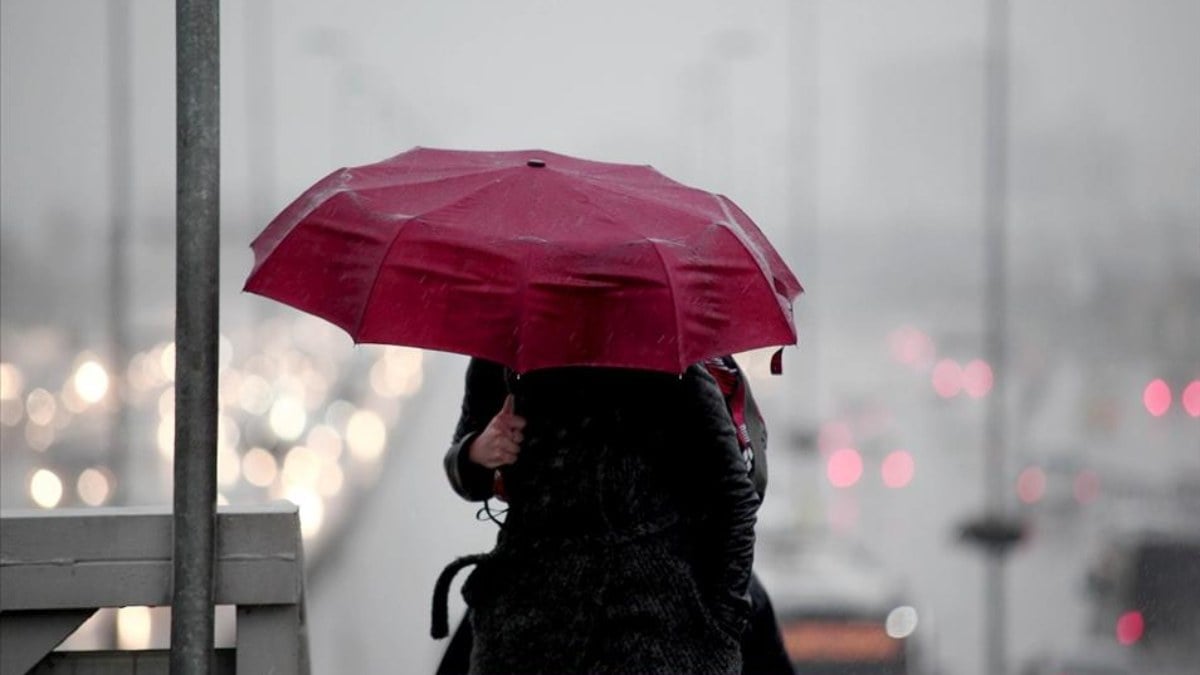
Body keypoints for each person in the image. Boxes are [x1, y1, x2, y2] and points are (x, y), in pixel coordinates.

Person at [435, 356, 796, 675]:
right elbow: (465, 467)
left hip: (654, 624)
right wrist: (479, 450)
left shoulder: (672, 356)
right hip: (528, 617)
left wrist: (721, 624)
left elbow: (734, 495)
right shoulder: (507, 350)